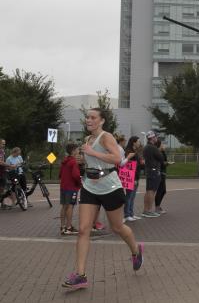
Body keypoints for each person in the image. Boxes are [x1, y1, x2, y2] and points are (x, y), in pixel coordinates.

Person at [62, 107, 143, 289]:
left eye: (93, 117)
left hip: (109, 186)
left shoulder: (106, 137)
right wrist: (84, 160)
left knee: (117, 227)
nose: (88, 120)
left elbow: (116, 159)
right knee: (83, 230)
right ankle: (80, 274)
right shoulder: (87, 139)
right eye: (87, 117)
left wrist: (92, 153)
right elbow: (93, 160)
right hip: (90, 186)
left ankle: (136, 251)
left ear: (102, 120)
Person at [60, 143, 82, 235]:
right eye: (77, 150)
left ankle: (63, 227)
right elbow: (76, 175)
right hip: (71, 187)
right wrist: (79, 183)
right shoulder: (73, 162)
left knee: (64, 206)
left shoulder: (65, 161)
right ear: (73, 151)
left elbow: (60, 174)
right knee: (70, 206)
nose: (78, 151)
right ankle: (69, 227)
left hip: (63, 187)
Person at [142, 131, 163, 217]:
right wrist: (160, 150)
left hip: (149, 170)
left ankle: (145, 210)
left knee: (148, 191)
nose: (157, 139)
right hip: (153, 171)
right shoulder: (153, 147)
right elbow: (161, 158)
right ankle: (148, 211)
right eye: (155, 137)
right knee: (152, 191)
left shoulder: (146, 147)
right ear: (152, 138)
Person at [123, 136, 142, 221]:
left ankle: (131, 213)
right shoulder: (129, 152)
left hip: (136, 177)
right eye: (138, 141)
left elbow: (137, 164)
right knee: (129, 196)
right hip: (131, 178)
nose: (139, 143)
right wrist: (133, 179)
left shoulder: (134, 151)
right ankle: (127, 215)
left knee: (132, 196)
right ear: (134, 142)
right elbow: (128, 167)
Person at [154, 140, 169, 214]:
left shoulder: (161, 152)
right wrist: (166, 163)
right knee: (160, 190)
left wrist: (163, 151)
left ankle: (158, 206)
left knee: (163, 191)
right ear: (159, 145)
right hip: (160, 173)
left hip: (163, 173)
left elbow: (165, 160)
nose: (163, 145)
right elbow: (162, 163)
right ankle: (157, 207)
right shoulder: (158, 153)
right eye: (162, 144)